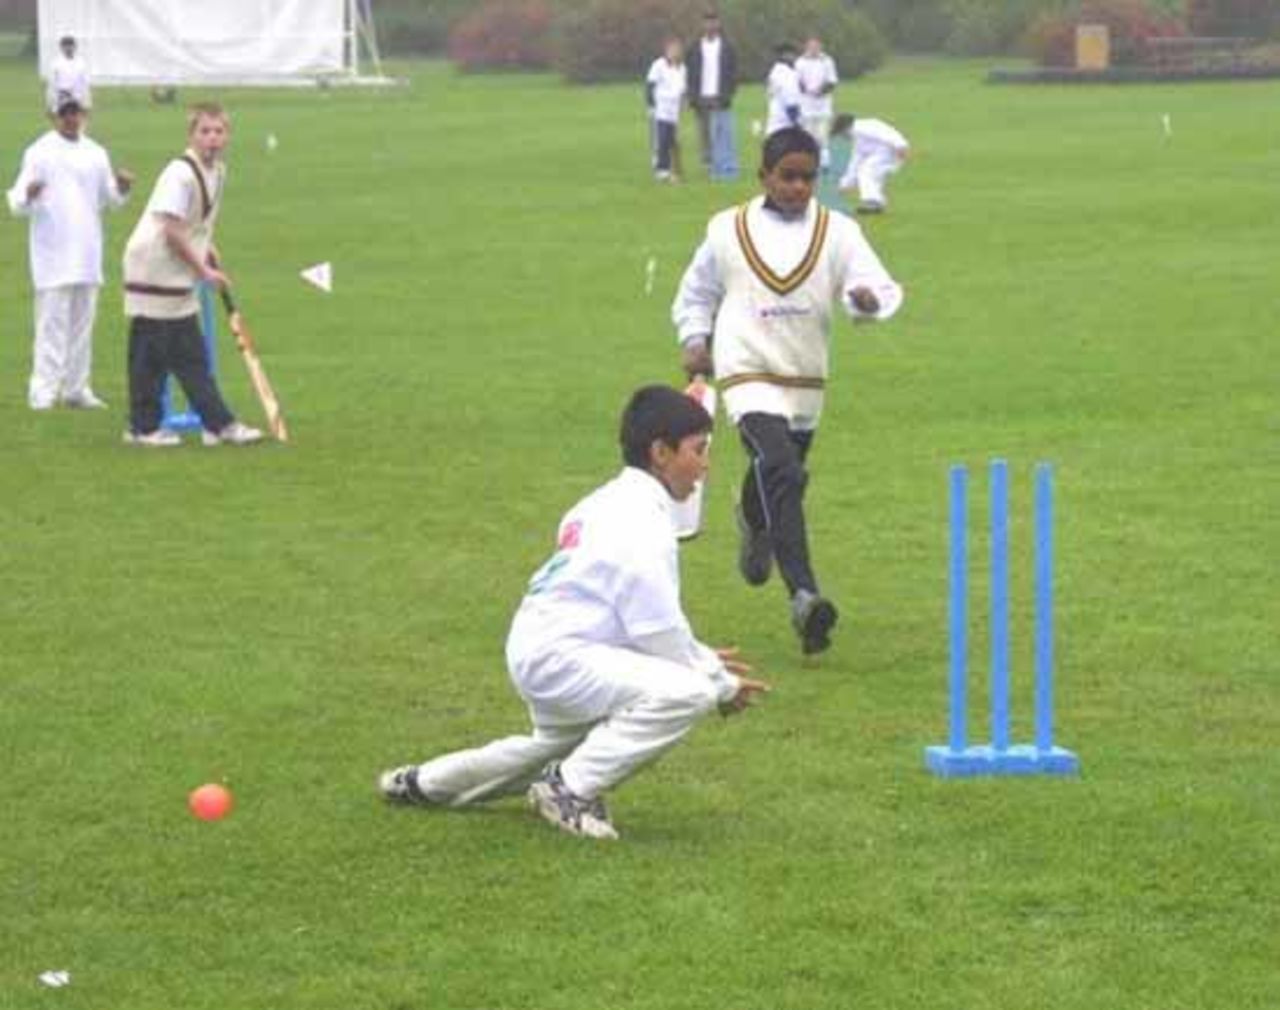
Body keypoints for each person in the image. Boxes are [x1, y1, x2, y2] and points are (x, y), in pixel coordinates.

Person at [378, 385, 769, 840]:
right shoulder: (642, 520)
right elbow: (656, 630)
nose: (705, 465)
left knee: (553, 748)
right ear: (660, 453)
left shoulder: (604, 501)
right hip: (561, 654)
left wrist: (698, 657)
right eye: (698, 450)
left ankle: (422, 783)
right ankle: (567, 792)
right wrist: (719, 682)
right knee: (689, 691)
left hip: (543, 643)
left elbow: (630, 617)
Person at [671, 128, 904, 654]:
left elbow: (877, 285)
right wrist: (694, 338)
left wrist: (867, 301)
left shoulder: (838, 231)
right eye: (788, 176)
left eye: (808, 178)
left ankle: (754, 521)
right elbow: (697, 291)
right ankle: (804, 595)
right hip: (744, 367)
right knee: (783, 470)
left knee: (778, 475)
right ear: (764, 177)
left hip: (804, 374)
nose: (798, 187)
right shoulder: (727, 228)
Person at [121, 102, 262, 447]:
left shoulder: (218, 172)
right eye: (205, 131)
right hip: (153, 265)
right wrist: (203, 271)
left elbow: (196, 222)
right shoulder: (179, 174)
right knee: (177, 351)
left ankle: (147, 426)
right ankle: (213, 424)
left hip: (173, 266)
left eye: (219, 131)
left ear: (227, 136)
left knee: (160, 351)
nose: (212, 138)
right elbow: (170, 229)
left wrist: (207, 248)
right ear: (191, 135)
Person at [6, 97, 131, 410]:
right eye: (65, 114)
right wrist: (27, 196)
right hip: (52, 253)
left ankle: (77, 388)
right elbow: (16, 201)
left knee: (81, 326)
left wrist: (122, 187)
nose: (71, 119)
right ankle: (43, 391)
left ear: (84, 115)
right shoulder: (39, 152)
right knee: (51, 325)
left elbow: (110, 199)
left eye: (75, 113)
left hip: (87, 251)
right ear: (54, 116)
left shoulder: (96, 153)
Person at [685, 10, 739, 181]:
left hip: (720, 96)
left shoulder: (727, 47)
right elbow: (689, 72)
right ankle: (709, 166)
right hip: (701, 96)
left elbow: (733, 72)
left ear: (718, 24)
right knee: (704, 133)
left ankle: (725, 165)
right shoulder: (694, 47)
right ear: (702, 25)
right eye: (707, 22)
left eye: (713, 21)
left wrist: (729, 93)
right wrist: (691, 96)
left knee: (723, 133)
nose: (710, 25)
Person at [834, 113, 910, 214]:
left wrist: (900, 145)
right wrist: (844, 184)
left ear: (845, 128)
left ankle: (872, 202)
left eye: (840, 133)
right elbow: (855, 162)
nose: (842, 137)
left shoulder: (862, 127)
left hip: (889, 150)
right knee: (873, 176)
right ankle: (877, 204)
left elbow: (886, 132)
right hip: (881, 154)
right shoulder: (857, 139)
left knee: (866, 171)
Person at [645, 38, 687, 183]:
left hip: (674, 111)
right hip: (660, 109)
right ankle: (662, 170)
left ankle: (673, 169)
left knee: (672, 140)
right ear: (666, 50)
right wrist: (651, 105)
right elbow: (650, 85)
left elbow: (682, 90)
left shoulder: (682, 69)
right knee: (662, 139)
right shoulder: (658, 65)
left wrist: (683, 103)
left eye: (677, 50)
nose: (675, 52)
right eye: (672, 49)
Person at [795, 36, 839, 172]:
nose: (814, 49)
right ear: (807, 47)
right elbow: (796, 81)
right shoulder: (800, 62)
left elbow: (832, 81)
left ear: (820, 47)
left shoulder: (827, 61)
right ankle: (809, 161)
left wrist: (821, 92)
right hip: (806, 104)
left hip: (823, 105)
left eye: (816, 46)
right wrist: (806, 91)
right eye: (811, 46)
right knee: (808, 134)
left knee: (822, 135)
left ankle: (825, 162)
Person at [45, 35, 91, 115]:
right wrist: (50, 104)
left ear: (75, 47)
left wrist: (87, 103)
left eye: (71, 46)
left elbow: (85, 83)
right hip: (61, 98)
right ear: (61, 48)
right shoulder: (56, 63)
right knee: (63, 121)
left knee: (77, 121)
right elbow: (52, 84)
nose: (68, 48)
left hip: (77, 98)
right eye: (65, 46)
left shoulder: (81, 62)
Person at [765, 42, 802, 137]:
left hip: (775, 118)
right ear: (785, 55)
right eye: (792, 54)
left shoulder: (774, 71)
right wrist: (796, 122)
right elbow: (790, 99)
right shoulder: (786, 74)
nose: (794, 57)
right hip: (785, 121)